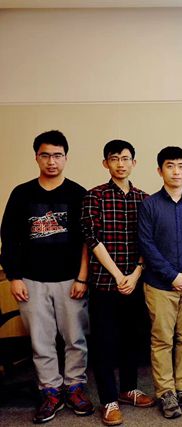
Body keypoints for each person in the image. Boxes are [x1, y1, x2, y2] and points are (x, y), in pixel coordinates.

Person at [0, 130, 93, 424]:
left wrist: (82, 278)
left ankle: (74, 387)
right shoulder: (21, 193)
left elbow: (88, 241)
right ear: (36, 157)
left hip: (70, 281)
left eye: (57, 155)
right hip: (31, 281)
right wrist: (14, 277)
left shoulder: (78, 194)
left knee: (75, 338)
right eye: (45, 155)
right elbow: (8, 238)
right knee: (41, 341)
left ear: (66, 157)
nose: (51, 161)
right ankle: (50, 391)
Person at [81, 139, 154, 426]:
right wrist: (118, 275)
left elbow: (148, 241)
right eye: (114, 159)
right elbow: (91, 238)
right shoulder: (94, 196)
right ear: (106, 163)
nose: (120, 164)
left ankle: (128, 389)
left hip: (135, 282)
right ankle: (109, 400)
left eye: (125, 158)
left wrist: (135, 274)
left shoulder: (145, 199)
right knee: (104, 343)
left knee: (132, 339)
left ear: (134, 163)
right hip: (104, 283)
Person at [138, 146, 182, 419]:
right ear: (160, 171)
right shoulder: (149, 205)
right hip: (160, 285)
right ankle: (166, 392)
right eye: (170, 166)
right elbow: (146, 244)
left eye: (181, 166)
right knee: (162, 340)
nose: (176, 171)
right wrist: (172, 275)